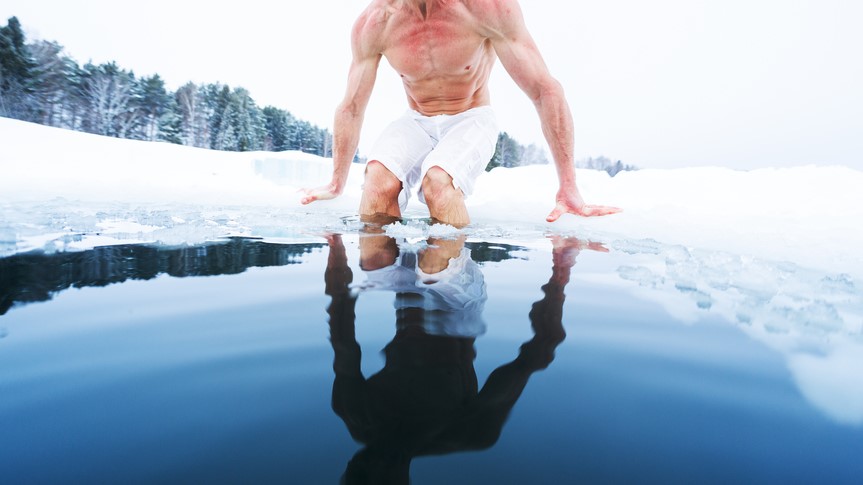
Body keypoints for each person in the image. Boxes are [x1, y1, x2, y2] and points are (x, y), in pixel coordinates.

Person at [300, 0, 621, 227]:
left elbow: (545, 90)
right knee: (377, 180)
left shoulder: (485, 7)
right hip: (416, 119)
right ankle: (392, 284)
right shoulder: (374, 23)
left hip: (471, 116)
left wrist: (568, 185)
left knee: (438, 183)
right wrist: (336, 181)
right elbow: (352, 107)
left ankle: (451, 297)